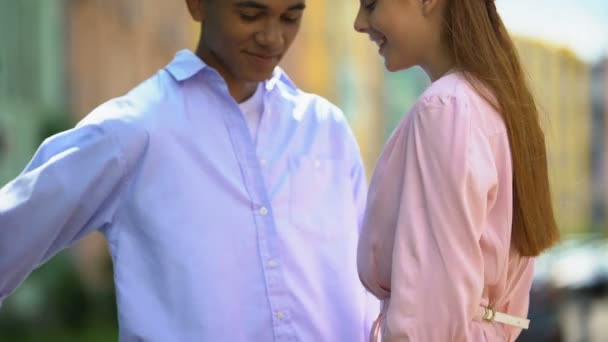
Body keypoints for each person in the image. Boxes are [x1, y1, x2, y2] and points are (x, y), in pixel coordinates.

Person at [0, 0, 379, 340]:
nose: (272, 37)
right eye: (250, 14)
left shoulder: (326, 129)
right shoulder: (135, 130)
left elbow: (372, 284)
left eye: (291, 17)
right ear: (197, 4)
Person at [354, 0, 560, 341]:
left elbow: (427, 321)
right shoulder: (499, 106)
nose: (360, 24)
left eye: (371, 4)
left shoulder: (444, 109)